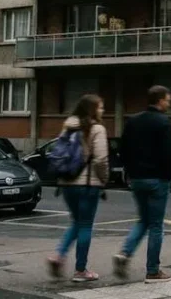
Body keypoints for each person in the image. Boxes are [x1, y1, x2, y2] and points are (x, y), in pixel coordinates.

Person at [114, 86, 171, 284]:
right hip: (157, 180)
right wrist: (168, 176)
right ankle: (153, 271)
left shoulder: (133, 121)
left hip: (137, 179)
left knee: (143, 220)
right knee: (156, 225)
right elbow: (168, 154)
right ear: (159, 100)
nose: (169, 103)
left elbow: (122, 150)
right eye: (167, 100)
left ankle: (124, 253)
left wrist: (131, 172)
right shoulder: (164, 122)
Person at [47, 94, 109, 282]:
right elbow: (100, 159)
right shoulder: (97, 129)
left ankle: (58, 256)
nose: (102, 110)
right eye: (100, 107)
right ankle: (80, 270)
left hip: (67, 184)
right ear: (91, 109)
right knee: (85, 225)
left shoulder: (68, 127)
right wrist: (104, 179)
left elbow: (60, 152)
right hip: (88, 184)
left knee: (76, 222)